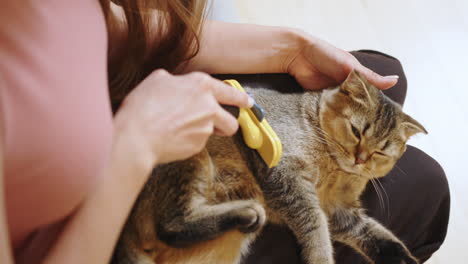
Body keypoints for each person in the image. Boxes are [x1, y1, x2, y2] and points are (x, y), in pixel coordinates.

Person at [0, 1, 449, 264]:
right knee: (428, 188)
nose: (358, 158)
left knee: (390, 76)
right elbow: (284, 181)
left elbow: (109, 28)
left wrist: (291, 47)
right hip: (106, 221)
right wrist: (134, 142)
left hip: (95, 117)